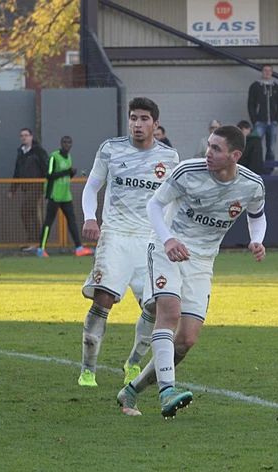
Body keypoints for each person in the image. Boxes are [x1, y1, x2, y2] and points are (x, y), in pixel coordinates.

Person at [116, 125, 266, 419]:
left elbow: (257, 216)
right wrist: (168, 239)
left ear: (235, 156)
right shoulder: (187, 171)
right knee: (169, 313)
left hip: (202, 261)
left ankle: (132, 390)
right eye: (209, 145)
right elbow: (154, 204)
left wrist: (257, 240)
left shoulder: (252, 185)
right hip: (167, 247)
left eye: (216, 149)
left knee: (186, 341)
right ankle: (167, 391)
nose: (208, 153)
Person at [77, 97, 180, 388]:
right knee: (103, 299)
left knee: (155, 306)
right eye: (134, 118)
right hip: (116, 235)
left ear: (156, 124)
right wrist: (90, 218)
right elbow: (92, 187)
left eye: (144, 119)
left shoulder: (170, 158)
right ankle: (88, 369)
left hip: (150, 240)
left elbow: (174, 201)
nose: (137, 124)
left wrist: (171, 236)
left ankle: (133, 363)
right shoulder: (111, 149)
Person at [37, 136, 92, 258]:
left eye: (69, 142)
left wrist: (71, 174)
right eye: (65, 142)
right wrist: (67, 171)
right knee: (49, 221)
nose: (67, 144)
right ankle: (41, 249)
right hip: (55, 194)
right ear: (61, 143)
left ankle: (79, 248)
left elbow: (66, 177)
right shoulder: (54, 156)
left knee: (72, 220)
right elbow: (49, 174)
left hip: (66, 195)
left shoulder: (69, 157)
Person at [8, 128, 49, 250]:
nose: (24, 137)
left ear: (31, 137)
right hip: (25, 188)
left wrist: (47, 185)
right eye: (22, 135)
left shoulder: (38, 151)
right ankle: (36, 241)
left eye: (26, 135)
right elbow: (17, 171)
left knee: (26, 211)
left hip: (36, 186)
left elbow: (46, 167)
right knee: (31, 213)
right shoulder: (21, 152)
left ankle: (34, 240)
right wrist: (12, 189)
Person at [248, 64, 278, 174]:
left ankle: (269, 171)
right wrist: (255, 120)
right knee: (256, 147)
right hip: (260, 123)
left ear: (272, 72)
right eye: (265, 70)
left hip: (272, 123)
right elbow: (251, 104)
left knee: (271, 148)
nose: (267, 73)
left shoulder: (275, 87)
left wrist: (276, 120)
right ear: (262, 72)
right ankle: (256, 170)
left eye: (269, 71)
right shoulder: (255, 86)